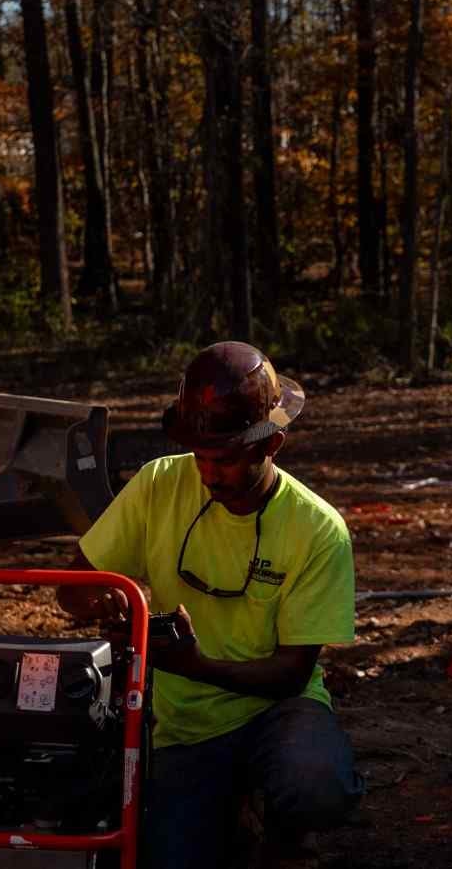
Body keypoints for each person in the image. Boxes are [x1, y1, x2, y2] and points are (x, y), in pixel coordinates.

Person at [57, 342, 364, 869]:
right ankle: (230, 812)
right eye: (199, 454)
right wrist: (98, 601)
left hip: (279, 711)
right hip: (185, 725)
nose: (206, 473)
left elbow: (292, 674)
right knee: (171, 854)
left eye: (224, 459)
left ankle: (287, 836)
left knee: (316, 782)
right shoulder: (160, 483)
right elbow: (72, 585)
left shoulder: (317, 529)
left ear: (273, 445)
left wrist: (194, 665)